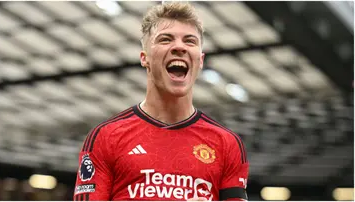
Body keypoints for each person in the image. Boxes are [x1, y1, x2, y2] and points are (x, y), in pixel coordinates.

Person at [73, 2, 249, 201]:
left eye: (190, 41)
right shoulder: (106, 138)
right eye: (166, 39)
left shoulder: (226, 144)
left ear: (200, 61)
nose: (179, 47)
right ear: (144, 58)